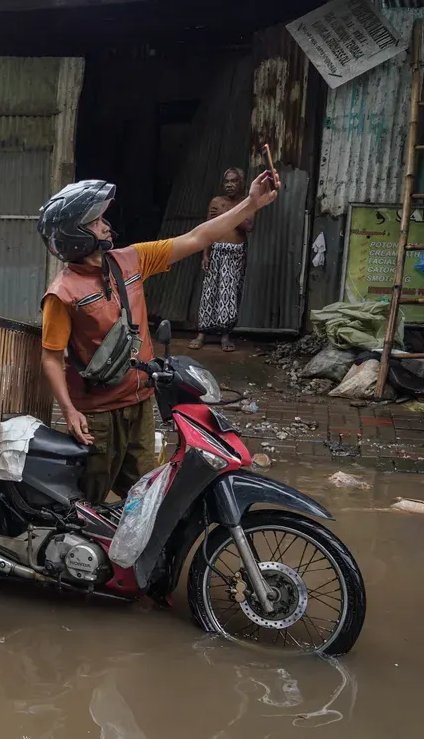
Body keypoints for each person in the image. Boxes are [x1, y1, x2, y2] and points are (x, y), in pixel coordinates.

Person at [38, 171, 279, 503]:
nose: (106, 225)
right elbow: (51, 357)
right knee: (84, 503)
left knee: (147, 498)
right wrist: (68, 411)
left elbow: (197, 238)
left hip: (139, 405)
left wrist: (252, 203)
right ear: (75, 235)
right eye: (96, 222)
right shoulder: (61, 294)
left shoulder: (131, 260)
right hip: (96, 416)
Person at [190, 168, 254, 353]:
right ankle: (202, 334)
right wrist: (205, 254)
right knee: (208, 293)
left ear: (241, 183)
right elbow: (208, 229)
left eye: (234, 181)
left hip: (235, 254)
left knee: (229, 295)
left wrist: (229, 214)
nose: (229, 185)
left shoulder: (246, 203)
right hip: (216, 251)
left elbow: (249, 226)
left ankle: (225, 335)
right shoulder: (216, 202)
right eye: (227, 181)